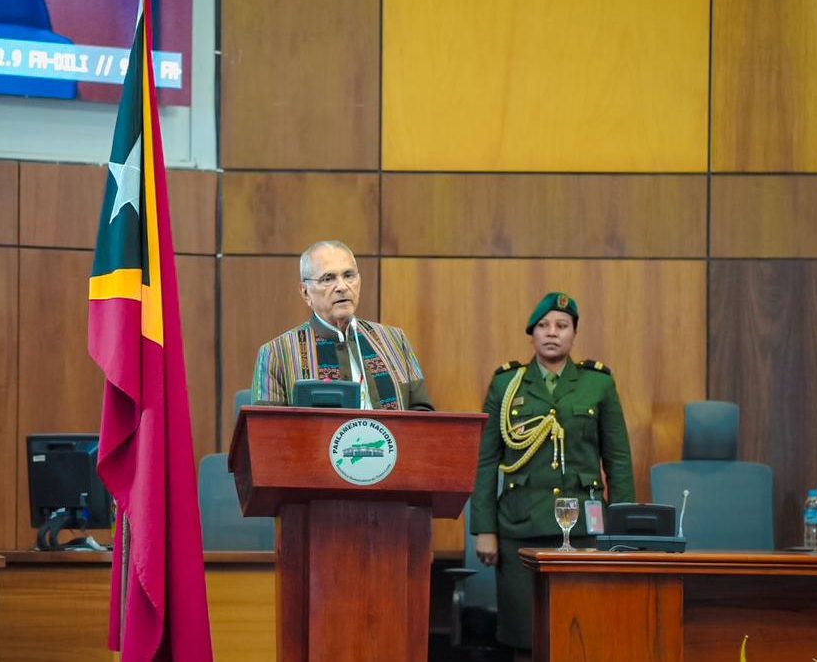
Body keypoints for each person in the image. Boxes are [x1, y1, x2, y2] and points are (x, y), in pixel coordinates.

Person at [470, 291, 634, 660]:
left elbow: (618, 460)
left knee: (583, 633)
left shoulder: (598, 384)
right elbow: (484, 461)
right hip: (519, 527)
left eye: (562, 325)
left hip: (585, 531)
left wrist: (623, 530)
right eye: (543, 326)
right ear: (531, 334)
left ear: (574, 333)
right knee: (524, 638)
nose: (552, 333)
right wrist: (485, 529)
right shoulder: (506, 385)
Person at [251, 240, 434, 411]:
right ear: (305, 292)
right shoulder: (277, 353)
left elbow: (423, 416)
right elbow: (266, 434)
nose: (342, 286)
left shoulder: (394, 341)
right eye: (328, 278)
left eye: (349, 275)